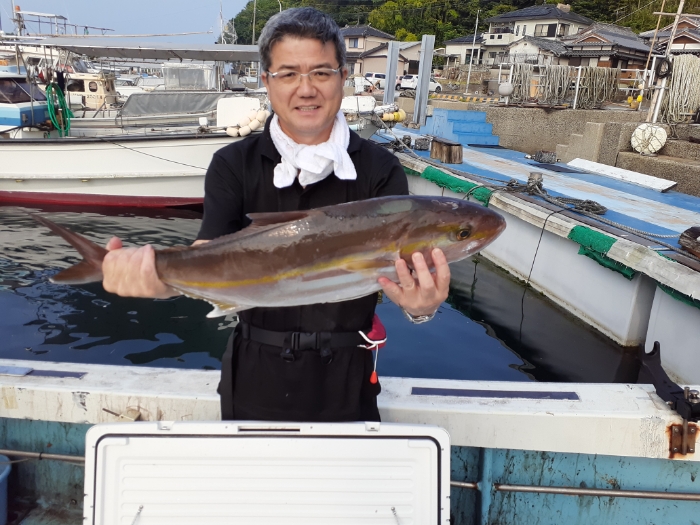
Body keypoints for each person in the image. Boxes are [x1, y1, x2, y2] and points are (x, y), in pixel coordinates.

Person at [101, 7, 450, 423]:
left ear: (343, 77)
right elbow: (206, 254)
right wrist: (156, 282)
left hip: (347, 374)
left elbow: (400, 272)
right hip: (254, 371)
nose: (306, 90)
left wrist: (421, 309)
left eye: (321, 72)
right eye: (288, 74)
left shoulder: (379, 168)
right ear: (266, 81)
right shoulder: (234, 164)